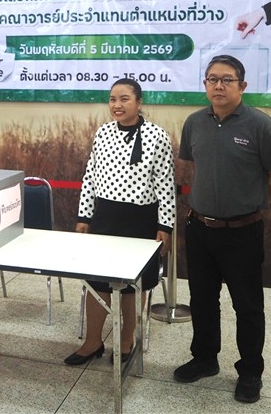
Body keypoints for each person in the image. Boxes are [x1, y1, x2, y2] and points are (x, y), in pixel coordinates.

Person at [173, 54, 271, 404]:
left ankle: (250, 371)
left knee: (247, 305)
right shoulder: (195, 122)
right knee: (202, 299)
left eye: (227, 79)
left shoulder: (260, 125)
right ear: (205, 84)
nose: (219, 85)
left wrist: (256, 203)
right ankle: (205, 359)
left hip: (242, 232)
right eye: (212, 79)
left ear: (242, 86)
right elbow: (193, 165)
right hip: (200, 227)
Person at [64, 78, 176, 366]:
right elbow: (91, 176)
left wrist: (165, 226)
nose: (117, 105)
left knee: (131, 285)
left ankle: (126, 341)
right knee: (97, 282)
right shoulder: (103, 132)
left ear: (139, 102)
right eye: (113, 99)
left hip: (141, 221)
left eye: (124, 99)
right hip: (105, 218)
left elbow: (165, 184)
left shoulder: (157, 135)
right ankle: (92, 342)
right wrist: (84, 217)